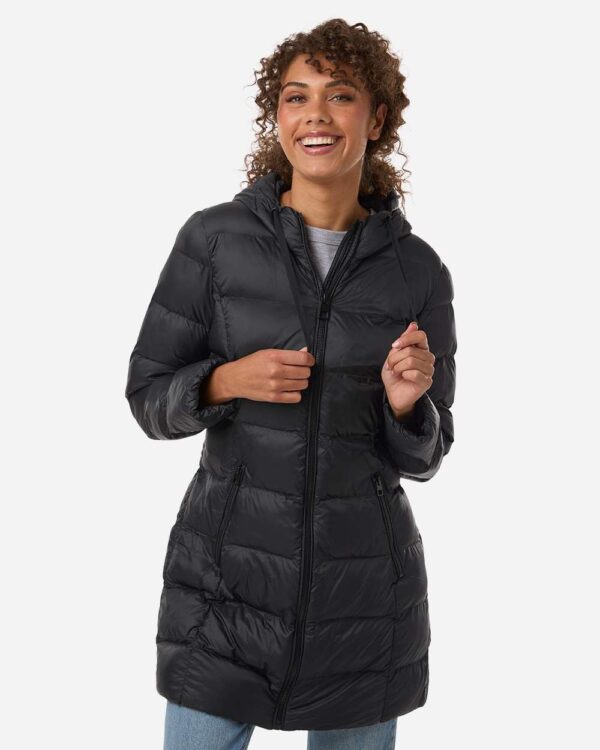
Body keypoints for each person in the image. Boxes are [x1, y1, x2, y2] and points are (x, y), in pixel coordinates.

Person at [125, 17, 457, 750]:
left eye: (340, 95)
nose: (315, 114)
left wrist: (408, 409)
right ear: (276, 117)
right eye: (295, 96)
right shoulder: (214, 242)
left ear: (377, 118)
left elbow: (427, 455)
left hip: (363, 600)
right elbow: (148, 397)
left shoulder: (418, 271)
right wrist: (224, 381)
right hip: (224, 589)